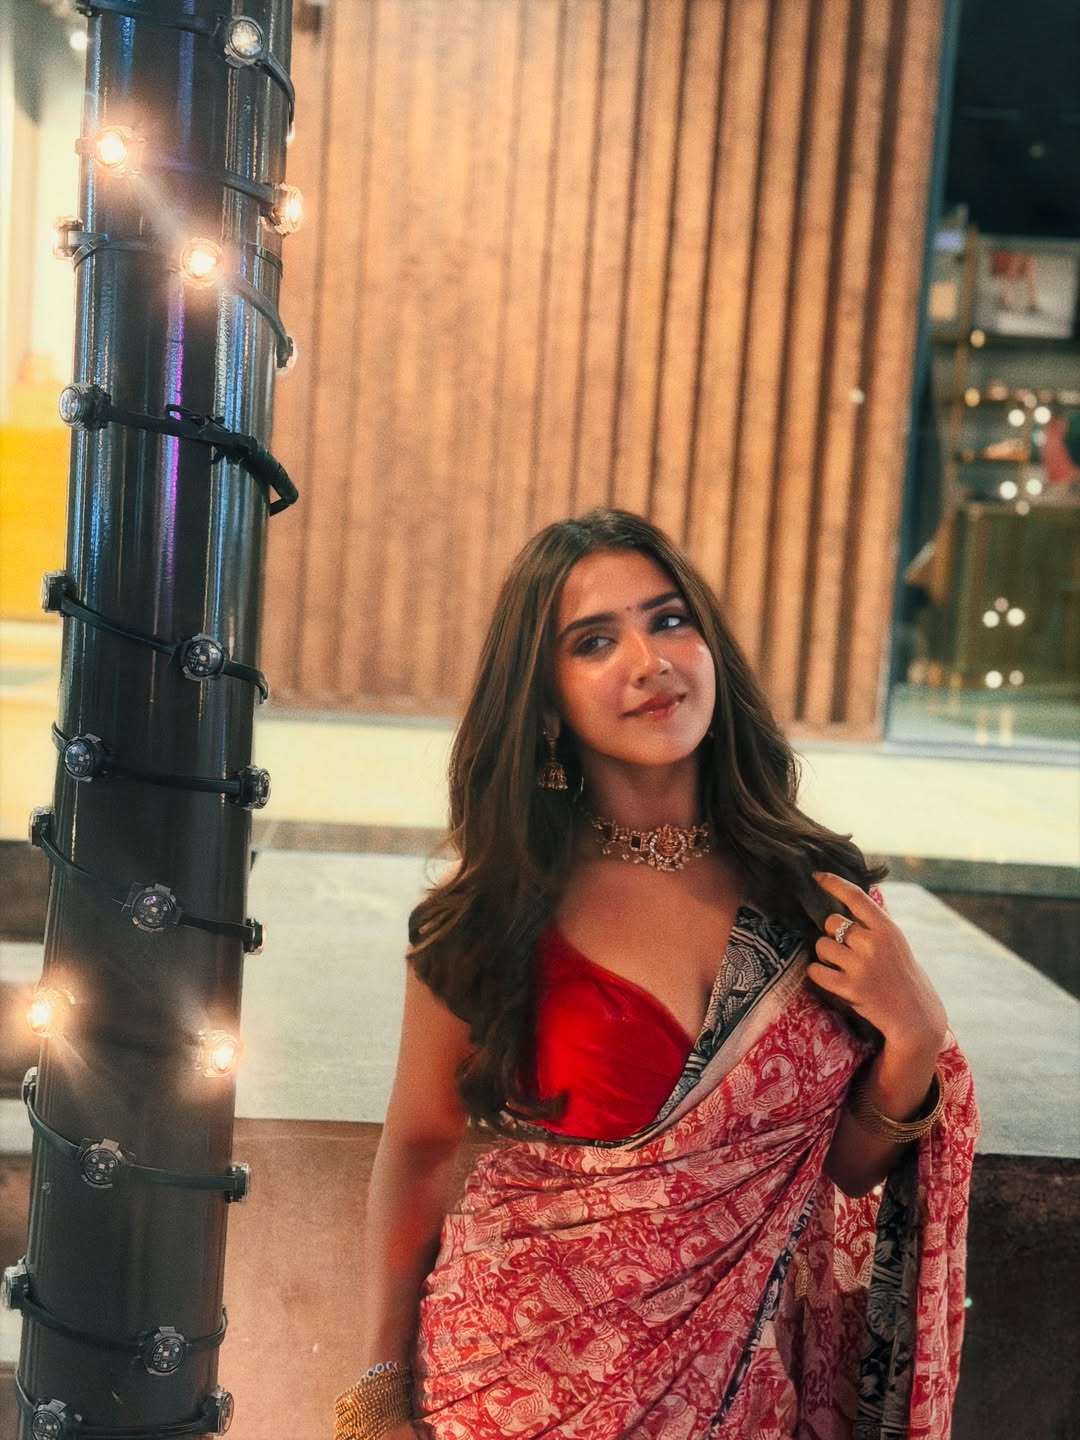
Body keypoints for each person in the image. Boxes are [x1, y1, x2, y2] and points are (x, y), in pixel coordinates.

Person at [333, 509, 977, 1440]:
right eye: (595, 641)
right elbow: (420, 1148)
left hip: (744, 1395)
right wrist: (379, 1389)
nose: (650, 661)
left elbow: (841, 1167)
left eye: (669, 620)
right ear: (546, 704)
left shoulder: (812, 896)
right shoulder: (492, 918)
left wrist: (914, 1030)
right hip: (516, 1382)